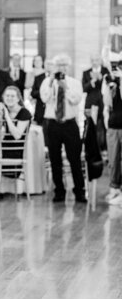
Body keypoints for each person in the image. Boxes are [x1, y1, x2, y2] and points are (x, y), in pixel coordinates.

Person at [40, 54, 86, 203]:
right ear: (54, 67)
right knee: (55, 159)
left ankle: (79, 191)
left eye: (64, 65)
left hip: (70, 124)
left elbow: (76, 100)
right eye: (59, 65)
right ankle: (59, 191)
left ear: (68, 67)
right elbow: (44, 99)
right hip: (52, 124)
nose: (62, 68)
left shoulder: (74, 82)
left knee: (75, 159)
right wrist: (51, 83)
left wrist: (65, 88)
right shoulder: (47, 81)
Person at [102, 61, 122, 204]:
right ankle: (114, 188)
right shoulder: (112, 82)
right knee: (113, 159)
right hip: (113, 125)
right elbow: (107, 103)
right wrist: (108, 87)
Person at [82, 53, 109, 150]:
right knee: (90, 125)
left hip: (104, 102)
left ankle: (104, 147)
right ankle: (91, 147)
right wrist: (91, 81)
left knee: (105, 124)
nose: (95, 62)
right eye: (92, 60)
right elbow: (84, 88)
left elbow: (110, 86)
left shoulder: (106, 71)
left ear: (100, 60)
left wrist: (102, 80)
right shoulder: (86, 72)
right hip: (91, 102)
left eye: (97, 60)